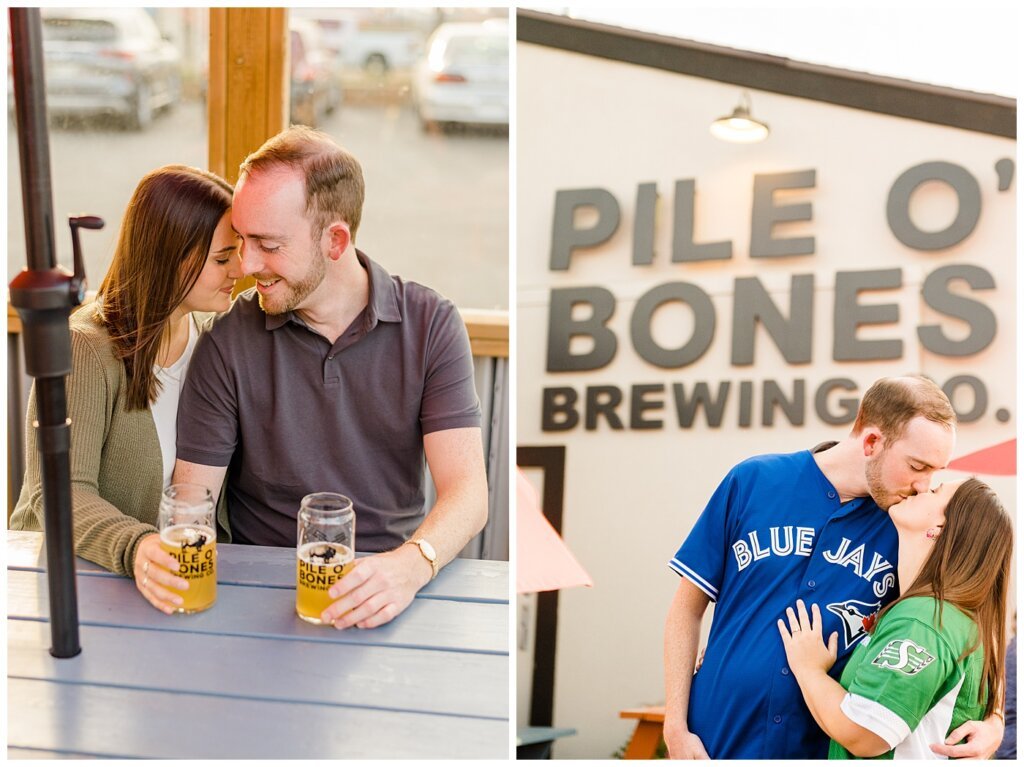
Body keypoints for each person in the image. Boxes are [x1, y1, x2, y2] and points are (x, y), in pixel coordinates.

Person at [166, 126, 489, 628]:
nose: (248, 266)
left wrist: (410, 566)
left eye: (267, 245)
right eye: (241, 241)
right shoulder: (227, 343)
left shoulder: (431, 324)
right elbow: (191, 506)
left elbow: (468, 494)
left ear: (335, 240)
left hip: (395, 588)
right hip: (259, 598)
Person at [663, 375, 1004, 759]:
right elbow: (686, 609)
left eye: (935, 473)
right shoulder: (753, 481)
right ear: (872, 441)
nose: (925, 486)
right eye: (917, 466)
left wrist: (995, 719)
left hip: (821, 746)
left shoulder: (908, 527)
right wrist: (675, 725)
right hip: (716, 738)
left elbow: (963, 620)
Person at [10, 165, 241, 614]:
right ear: (167, 256)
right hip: (66, 585)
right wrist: (136, 548)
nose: (240, 269)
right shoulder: (85, 348)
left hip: (170, 586)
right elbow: (57, 493)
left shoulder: (215, 339)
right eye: (221, 258)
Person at [778, 478, 1011, 758]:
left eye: (936, 491)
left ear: (938, 530)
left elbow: (864, 734)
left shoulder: (923, 620)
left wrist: (809, 670)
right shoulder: (947, 615)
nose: (922, 487)